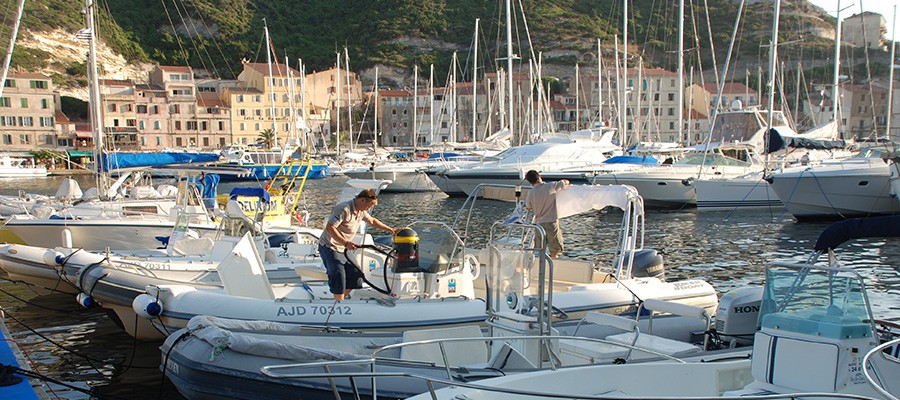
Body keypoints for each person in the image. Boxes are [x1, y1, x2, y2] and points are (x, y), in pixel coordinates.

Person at [318, 189, 399, 301]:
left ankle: (340, 300)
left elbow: (372, 221)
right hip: (330, 246)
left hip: (344, 248)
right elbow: (329, 227)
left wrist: (391, 230)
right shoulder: (344, 209)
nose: (369, 208)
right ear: (362, 200)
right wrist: (345, 243)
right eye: (369, 206)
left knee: (357, 275)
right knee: (338, 274)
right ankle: (337, 305)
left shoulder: (361, 210)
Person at [524, 170, 569, 258]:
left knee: (539, 249)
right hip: (551, 222)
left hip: (539, 224)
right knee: (555, 250)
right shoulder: (550, 186)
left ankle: (539, 267)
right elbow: (566, 182)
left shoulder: (531, 193)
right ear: (539, 176)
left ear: (530, 182)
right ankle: (553, 267)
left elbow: (528, 207)